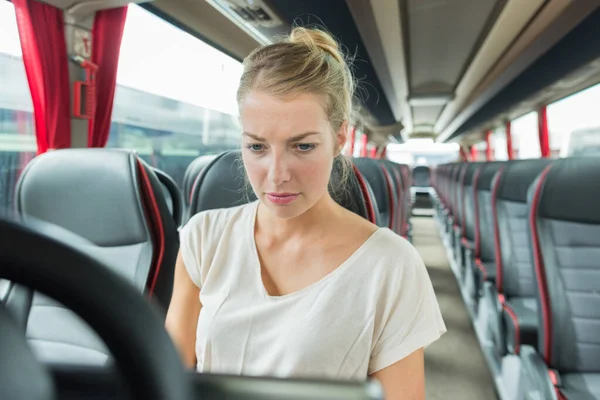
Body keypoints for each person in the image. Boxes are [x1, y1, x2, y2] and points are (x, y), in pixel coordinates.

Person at [165, 26, 446, 399]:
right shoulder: (203, 238)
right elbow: (166, 379)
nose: (277, 175)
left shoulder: (391, 266)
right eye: (257, 147)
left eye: (302, 146)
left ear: (340, 138)